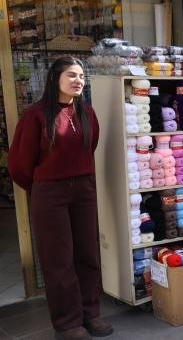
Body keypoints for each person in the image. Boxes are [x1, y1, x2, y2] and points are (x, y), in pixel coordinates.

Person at [7, 57, 110, 340]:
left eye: (81, 76)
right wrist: (41, 187)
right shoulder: (36, 116)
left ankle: (92, 314)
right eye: (71, 75)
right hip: (50, 193)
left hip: (84, 189)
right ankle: (67, 323)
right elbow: (18, 165)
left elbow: (90, 148)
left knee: (88, 254)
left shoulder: (88, 113)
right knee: (59, 259)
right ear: (55, 79)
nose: (78, 80)